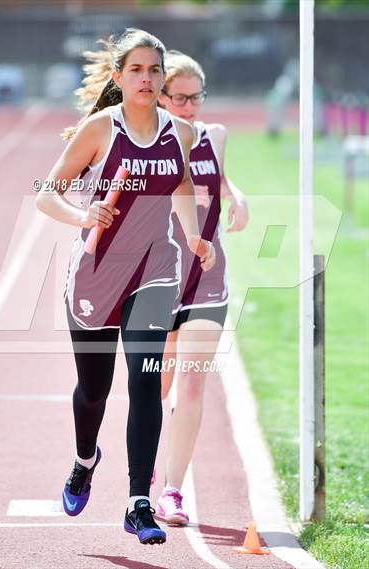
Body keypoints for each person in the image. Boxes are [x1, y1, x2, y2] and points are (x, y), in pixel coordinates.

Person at [35, 30, 215, 546]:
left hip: (156, 269)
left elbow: (178, 183)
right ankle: (84, 459)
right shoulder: (100, 129)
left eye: (154, 71)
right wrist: (81, 214)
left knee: (145, 377)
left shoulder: (177, 133)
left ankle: (139, 502)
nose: (147, 78)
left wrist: (194, 235)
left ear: (162, 79)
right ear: (118, 77)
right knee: (95, 390)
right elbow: (46, 194)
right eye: (136, 70)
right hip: (97, 273)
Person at [153, 50, 248, 526]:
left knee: (191, 383)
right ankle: (144, 472)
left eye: (197, 97)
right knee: (160, 381)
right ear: (161, 97)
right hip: (158, 280)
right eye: (182, 98)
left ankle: (172, 491)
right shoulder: (149, 143)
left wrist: (236, 195)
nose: (191, 107)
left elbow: (218, 178)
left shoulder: (215, 136)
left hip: (208, 281)